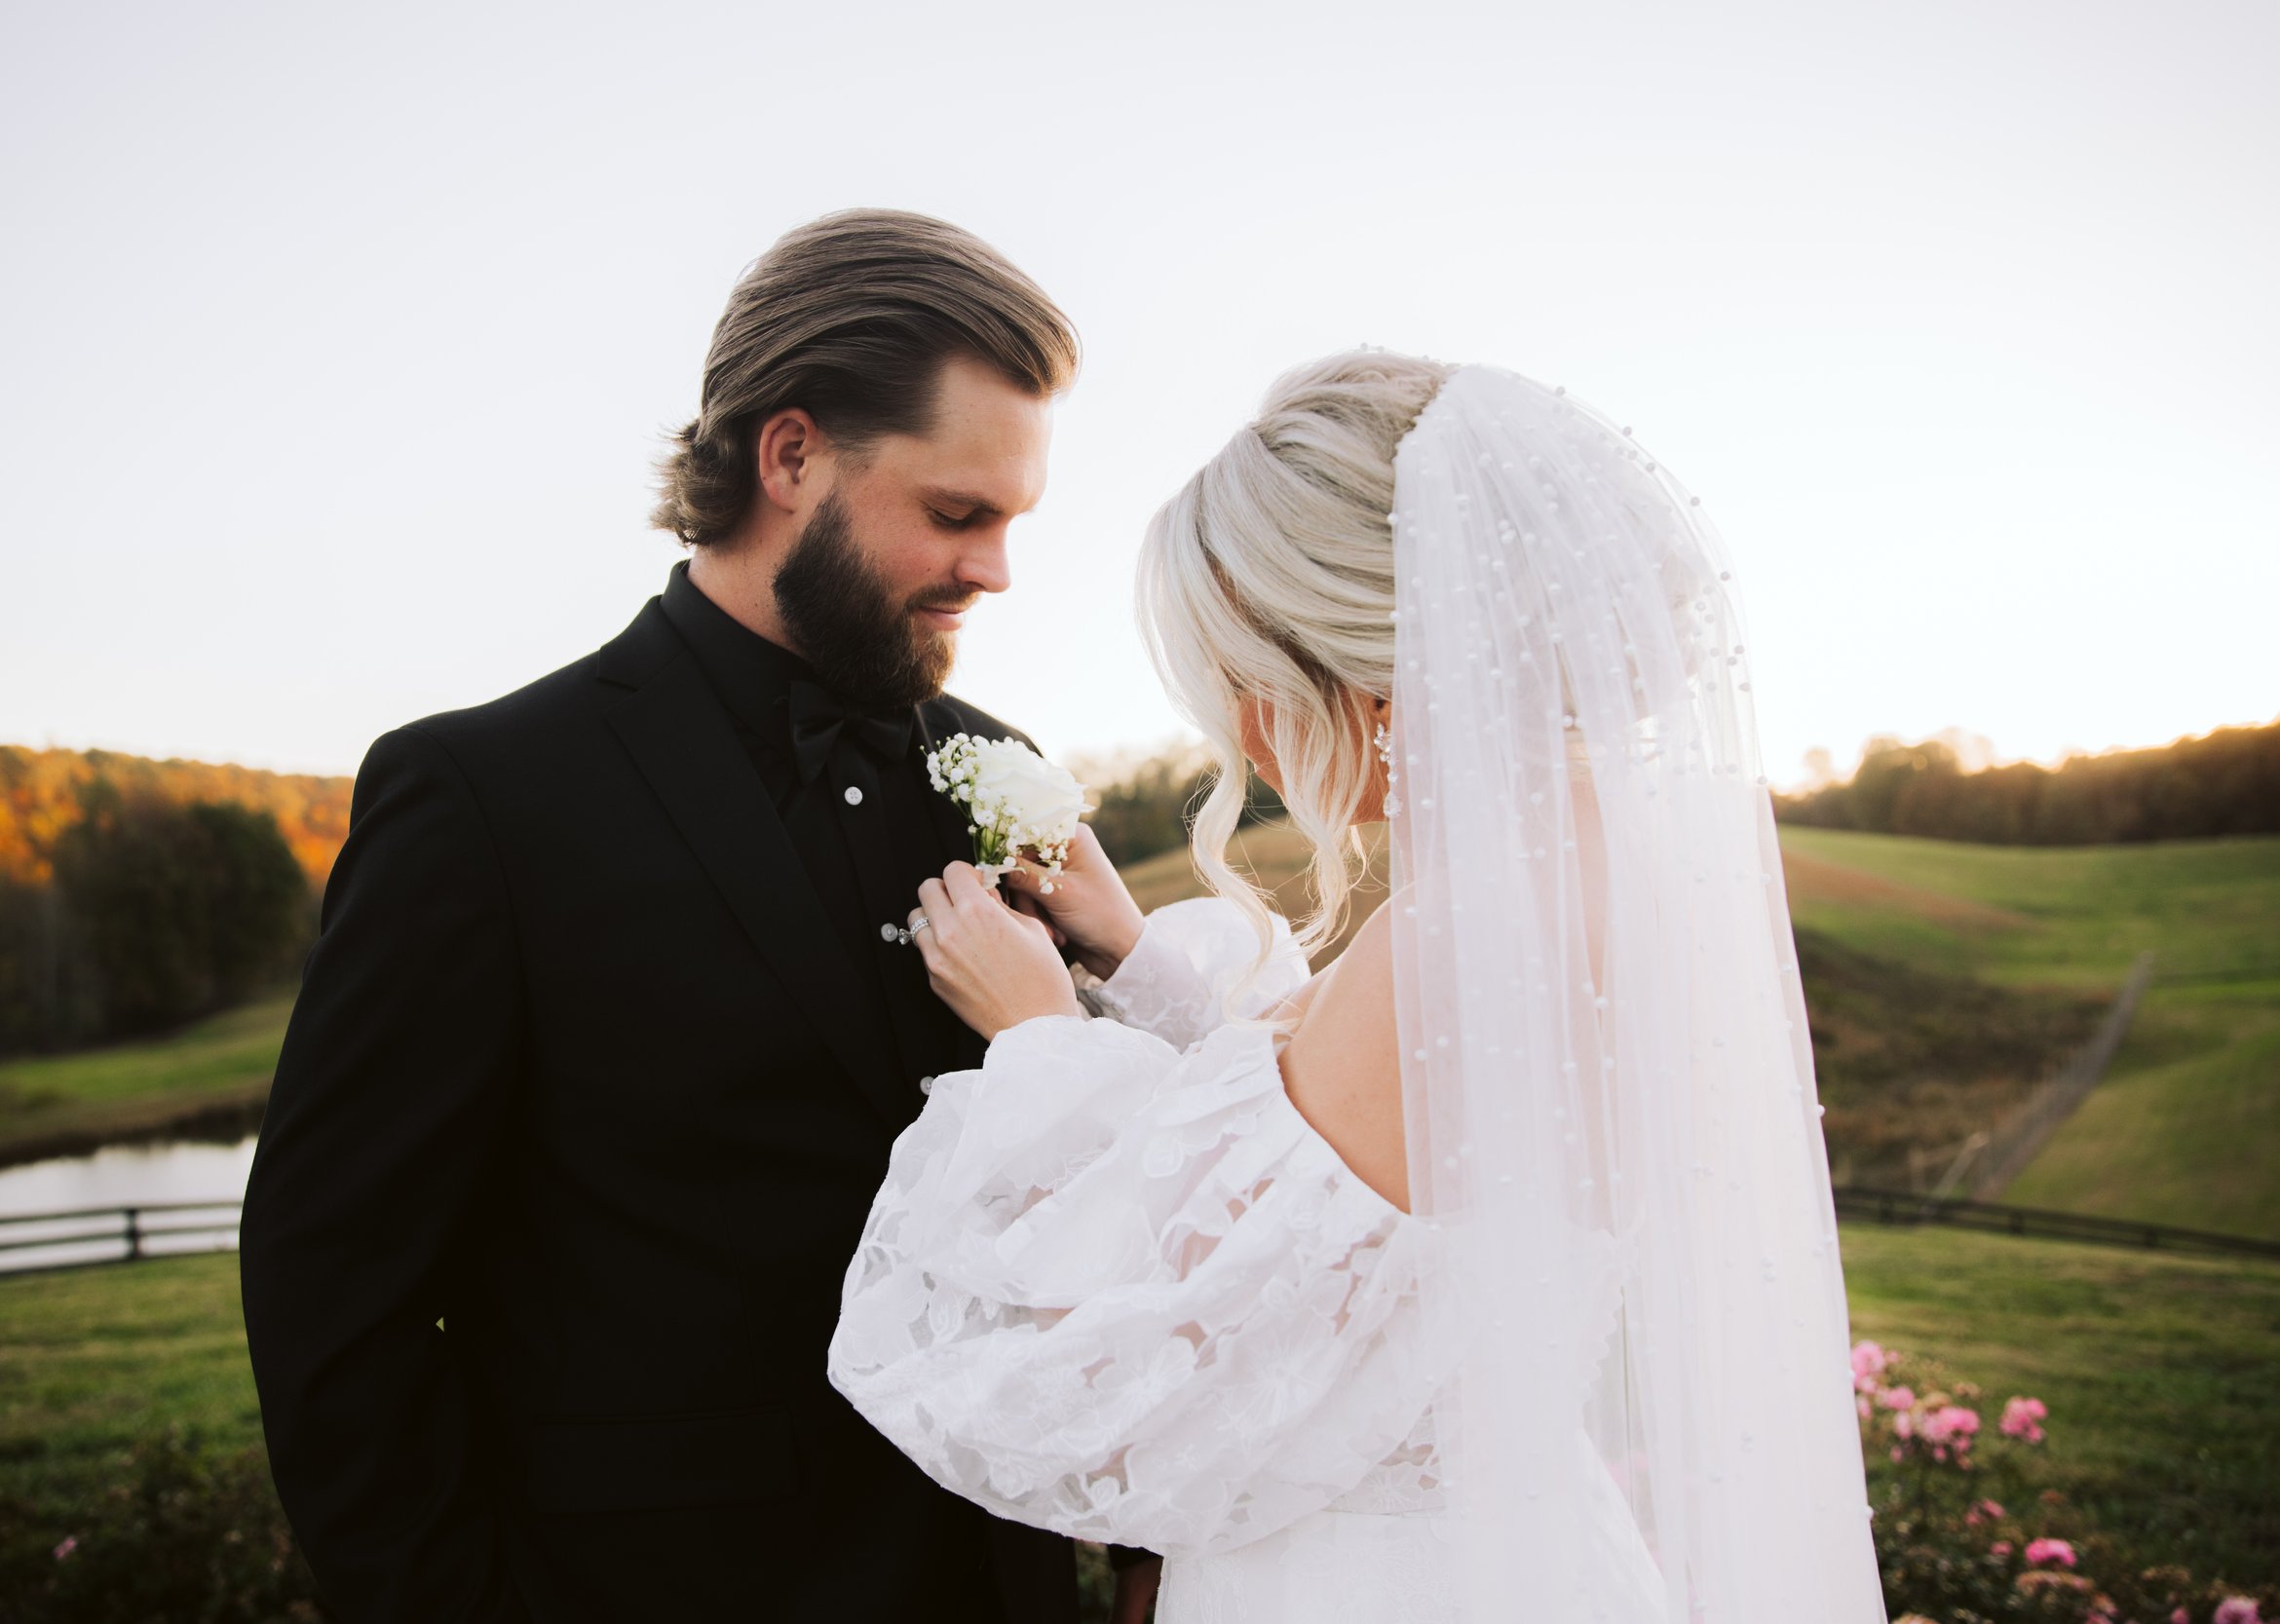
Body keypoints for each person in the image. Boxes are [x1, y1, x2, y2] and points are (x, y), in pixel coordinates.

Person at [830, 354, 1889, 1621]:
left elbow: (1166, 1368)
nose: (1249, 736)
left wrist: (1043, 1038)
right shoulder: (1600, 873)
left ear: (1363, 664)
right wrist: (1138, 953)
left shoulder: (1460, 929)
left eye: (1246, 679)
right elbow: (1373, 1187)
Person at [239, 208, 1111, 1622]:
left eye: (1012, 521)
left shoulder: (999, 778)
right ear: (790, 455)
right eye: (958, 514)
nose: (996, 571)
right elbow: (332, 1287)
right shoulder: (481, 797)